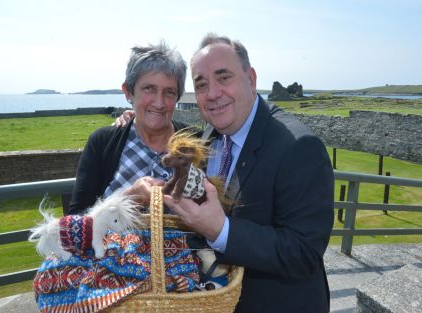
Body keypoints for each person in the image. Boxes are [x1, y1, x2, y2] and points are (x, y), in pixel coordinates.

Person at [162, 34, 335, 313]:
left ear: (251, 79)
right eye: (201, 84)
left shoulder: (300, 147)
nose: (212, 93)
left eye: (223, 77)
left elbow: (304, 254)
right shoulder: (209, 136)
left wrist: (221, 231)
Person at [69, 41, 194, 214]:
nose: (159, 103)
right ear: (128, 92)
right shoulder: (103, 142)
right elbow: (75, 219)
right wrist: (128, 198)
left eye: (169, 92)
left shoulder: (197, 141)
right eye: (149, 89)